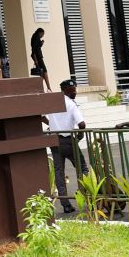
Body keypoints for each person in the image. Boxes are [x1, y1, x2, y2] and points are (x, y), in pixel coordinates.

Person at [43, 77, 88, 213]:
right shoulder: (71, 104)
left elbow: (41, 116)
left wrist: (51, 124)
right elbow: (82, 124)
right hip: (68, 140)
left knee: (59, 172)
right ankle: (87, 196)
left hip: (54, 140)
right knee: (82, 169)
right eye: (73, 90)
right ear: (66, 90)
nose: (75, 92)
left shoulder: (52, 102)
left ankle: (65, 204)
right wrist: (80, 135)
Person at [30, 26, 51, 91]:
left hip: (37, 57)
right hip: (38, 57)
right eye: (42, 34)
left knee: (41, 73)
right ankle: (48, 87)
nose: (42, 36)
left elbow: (37, 47)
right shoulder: (35, 37)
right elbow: (34, 49)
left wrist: (41, 43)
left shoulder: (36, 37)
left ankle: (43, 88)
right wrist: (35, 60)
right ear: (40, 33)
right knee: (44, 71)